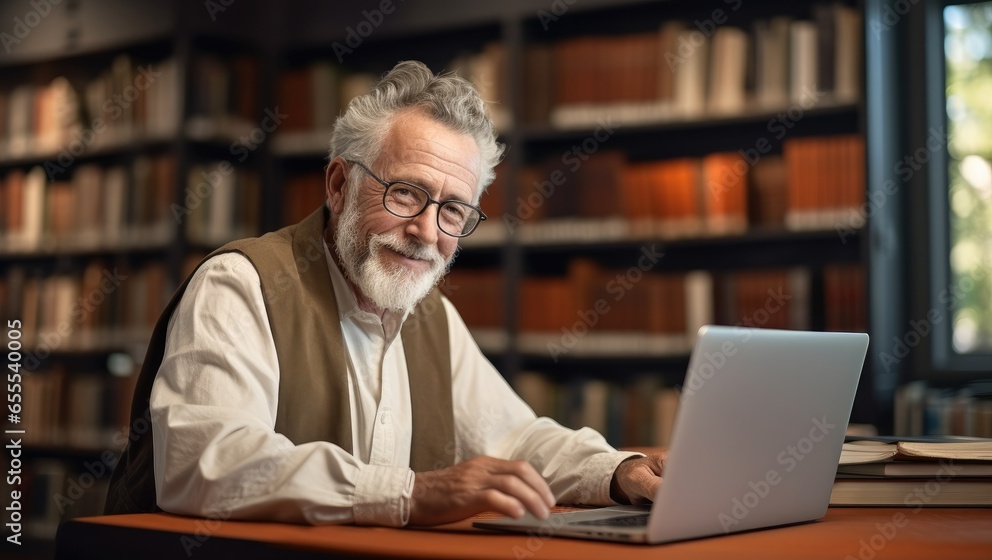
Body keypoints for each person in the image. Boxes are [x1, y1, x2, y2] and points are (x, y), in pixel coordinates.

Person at [105, 60, 666, 526]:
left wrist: (617, 472)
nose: (427, 232)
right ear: (339, 185)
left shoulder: (432, 316)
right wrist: (410, 494)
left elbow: (514, 439)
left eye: (453, 211)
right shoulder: (241, 285)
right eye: (405, 194)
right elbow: (206, 462)